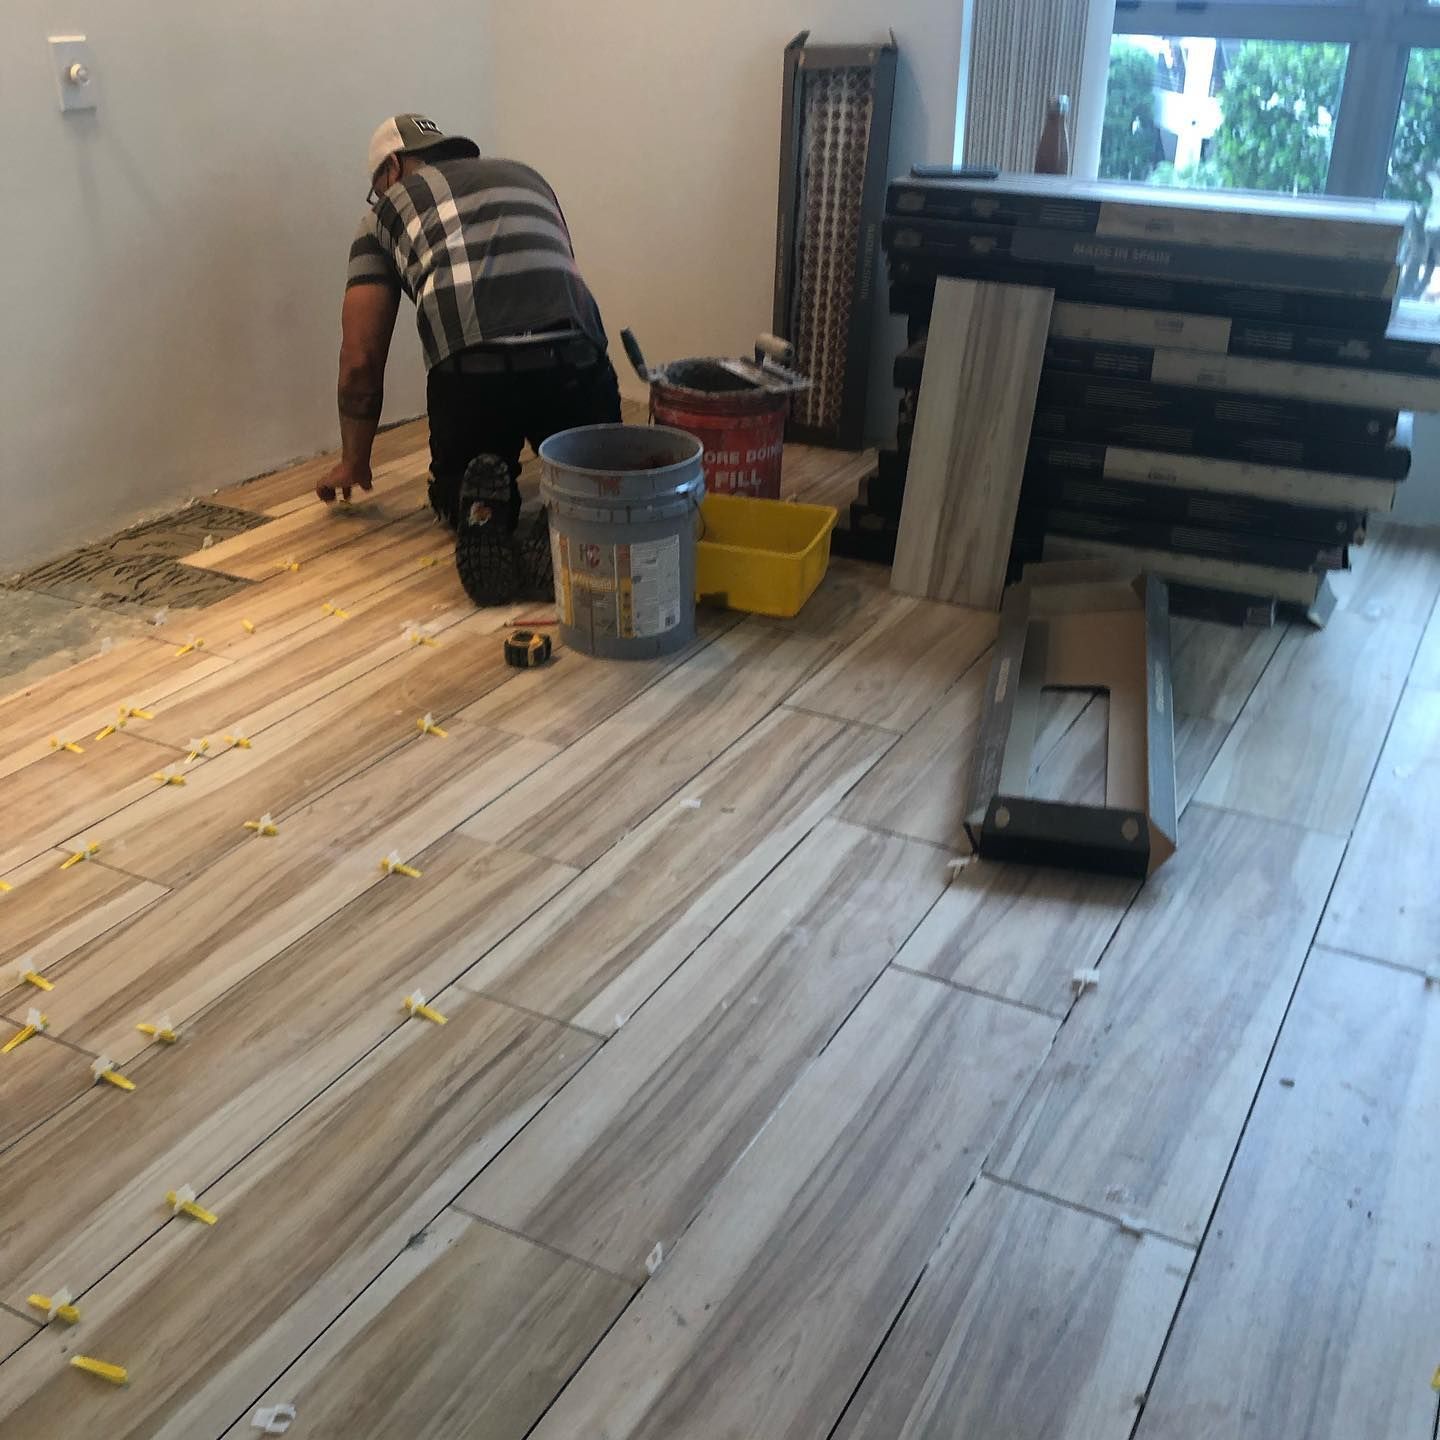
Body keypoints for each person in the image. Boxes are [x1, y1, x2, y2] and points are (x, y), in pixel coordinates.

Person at [319, 114, 622, 540]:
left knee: (464, 488)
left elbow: (359, 362)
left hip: (477, 375)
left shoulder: (382, 215)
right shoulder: (526, 178)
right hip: (575, 362)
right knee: (596, 479)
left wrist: (355, 460)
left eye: (377, 187)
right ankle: (580, 500)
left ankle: (480, 509)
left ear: (391, 169)